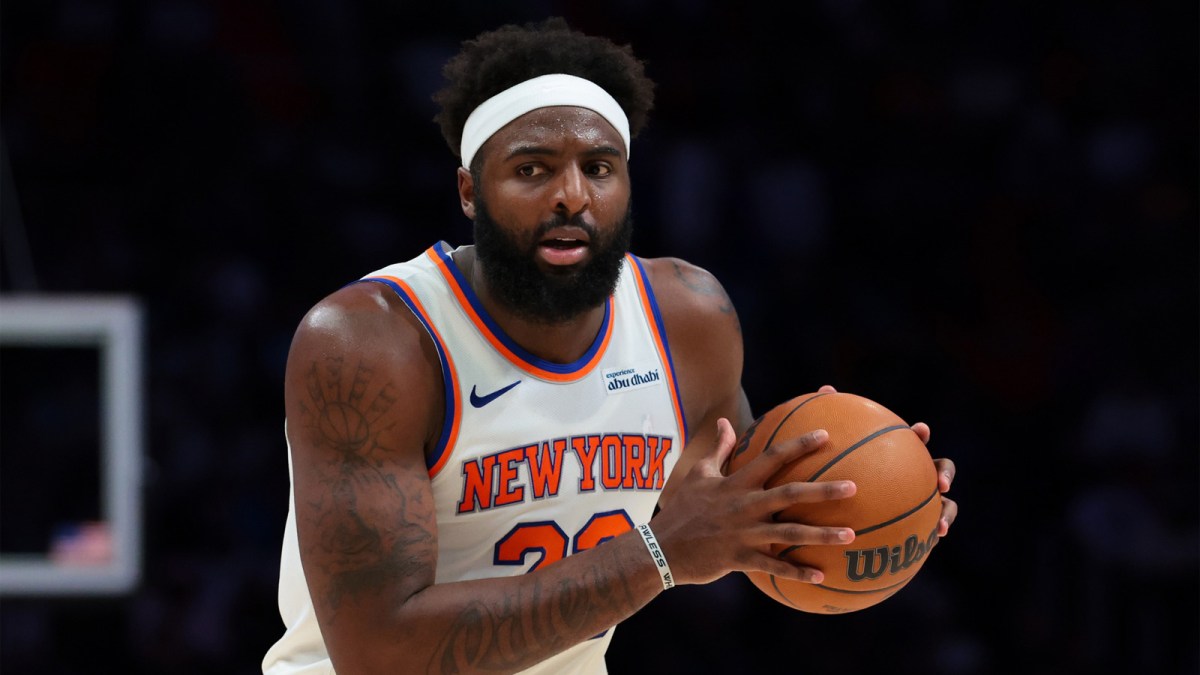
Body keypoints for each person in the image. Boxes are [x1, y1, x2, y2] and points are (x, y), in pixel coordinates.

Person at [262, 17, 959, 675]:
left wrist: (877, 499)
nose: (571, 195)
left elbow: (737, 520)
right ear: (470, 192)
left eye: (598, 167)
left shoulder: (687, 316)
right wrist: (658, 556)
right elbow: (379, 654)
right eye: (532, 170)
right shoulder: (372, 342)